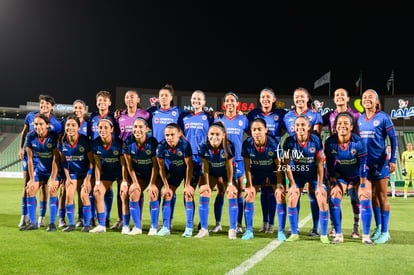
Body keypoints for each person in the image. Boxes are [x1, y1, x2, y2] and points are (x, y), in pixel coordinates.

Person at [324, 112, 374, 245]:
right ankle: (338, 235)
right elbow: (329, 166)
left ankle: (366, 236)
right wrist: (333, 183)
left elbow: (363, 164)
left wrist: (363, 185)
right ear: (335, 127)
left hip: (358, 176)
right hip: (341, 177)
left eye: (346, 123)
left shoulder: (359, 142)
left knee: (365, 197)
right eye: (339, 123)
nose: (342, 126)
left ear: (351, 127)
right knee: (334, 198)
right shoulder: (330, 143)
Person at [358, 89, 398, 244]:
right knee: (372, 196)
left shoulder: (383, 117)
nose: (367, 99)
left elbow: (393, 139)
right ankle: (379, 227)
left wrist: (392, 159)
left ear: (376, 101)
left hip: (380, 163)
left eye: (370, 97)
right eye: (364, 97)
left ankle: (386, 232)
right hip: (365, 165)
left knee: (382, 196)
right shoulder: (360, 119)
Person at [283, 87, 323, 236]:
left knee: (315, 194)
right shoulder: (287, 116)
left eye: (302, 96)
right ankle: (295, 228)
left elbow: (317, 138)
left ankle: (316, 227)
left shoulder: (315, 115)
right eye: (296, 97)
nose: (299, 99)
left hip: (311, 160)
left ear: (308, 99)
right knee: (294, 193)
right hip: (295, 163)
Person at [283, 115, 329, 243]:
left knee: (321, 197)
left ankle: (323, 234)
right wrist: (292, 184)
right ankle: (294, 233)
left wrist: (319, 185)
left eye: (303, 125)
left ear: (308, 127)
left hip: (313, 174)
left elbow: (320, 163)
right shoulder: (289, 141)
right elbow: (286, 164)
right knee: (292, 197)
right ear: (294, 127)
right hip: (297, 174)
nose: (300, 128)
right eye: (297, 125)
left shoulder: (316, 140)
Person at [18, 95, 62, 229]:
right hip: (37, 162)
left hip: (52, 165)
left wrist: (54, 178)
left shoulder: (54, 130)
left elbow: (56, 157)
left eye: (40, 124)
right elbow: (30, 158)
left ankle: (50, 221)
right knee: (29, 187)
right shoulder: (31, 128)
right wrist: (32, 179)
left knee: (50, 188)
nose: (37, 126)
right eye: (35, 124)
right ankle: (29, 220)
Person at [322, 88, 362, 238]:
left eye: (342, 95)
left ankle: (356, 228)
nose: (339, 97)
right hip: (335, 159)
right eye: (336, 95)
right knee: (332, 194)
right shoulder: (329, 115)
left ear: (347, 99)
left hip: (352, 158)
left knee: (355, 196)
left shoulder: (356, 115)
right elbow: (314, 122)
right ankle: (334, 227)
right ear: (334, 99)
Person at [247, 88, 287, 234]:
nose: (265, 99)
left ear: (274, 99)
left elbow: (291, 122)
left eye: (268, 97)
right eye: (263, 97)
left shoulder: (280, 114)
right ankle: (265, 222)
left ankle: (271, 223)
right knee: (263, 191)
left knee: (272, 189)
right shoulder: (253, 114)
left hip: (274, 156)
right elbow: (247, 129)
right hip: (259, 156)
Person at [242, 118, 285, 240]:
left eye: (259, 129)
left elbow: (279, 166)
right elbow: (247, 167)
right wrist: (249, 185)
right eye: (254, 130)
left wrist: (278, 185)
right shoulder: (247, 144)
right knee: (249, 195)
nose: (256, 132)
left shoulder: (273, 144)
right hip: (257, 171)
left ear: (265, 130)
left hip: (273, 171)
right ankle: (249, 230)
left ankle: (280, 231)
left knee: (279, 195)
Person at [147, 84, 185, 225]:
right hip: (156, 156)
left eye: (166, 95)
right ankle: (154, 222)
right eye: (161, 95)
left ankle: (168, 220)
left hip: (172, 157)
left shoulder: (179, 112)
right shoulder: (152, 112)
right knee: (155, 189)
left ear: (171, 97)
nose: (163, 98)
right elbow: (137, 116)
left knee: (170, 189)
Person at [214, 92, 249, 234]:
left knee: (239, 192)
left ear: (237, 103)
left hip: (238, 160)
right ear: (224, 103)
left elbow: (252, 133)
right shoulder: (219, 120)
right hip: (222, 161)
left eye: (232, 101)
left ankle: (239, 224)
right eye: (227, 100)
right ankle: (218, 223)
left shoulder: (243, 119)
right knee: (221, 191)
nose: (229, 103)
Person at [179, 90, 213, 230]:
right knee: (188, 190)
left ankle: (202, 222)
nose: (196, 101)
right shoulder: (184, 117)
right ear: (191, 101)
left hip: (203, 159)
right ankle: (190, 221)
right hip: (189, 159)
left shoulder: (208, 118)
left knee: (204, 190)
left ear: (204, 102)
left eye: (199, 99)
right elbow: (179, 134)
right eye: (194, 99)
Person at [89, 90, 122, 230]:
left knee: (122, 192)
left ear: (109, 102)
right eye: (99, 100)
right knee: (98, 189)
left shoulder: (115, 116)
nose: (101, 103)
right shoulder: (92, 117)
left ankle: (121, 220)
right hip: (101, 156)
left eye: (104, 100)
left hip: (116, 158)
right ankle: (99, 219)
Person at [195, 122, 234, 238]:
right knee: (204, 191)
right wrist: (206, 184)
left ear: (223, 135)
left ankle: (233, 228)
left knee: (232, 193)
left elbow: (229, 167)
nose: (214, 137)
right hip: (211, 172)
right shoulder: (203, 146)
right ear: (207, 134)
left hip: (225, 172)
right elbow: (205, 167)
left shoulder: (228, 146)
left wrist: (230, 184)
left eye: (217, 134)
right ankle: (203, 228)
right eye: (211, 134)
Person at [122, 118, 160, 235]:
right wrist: (135, 182)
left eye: (140, 127)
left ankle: (154, 227)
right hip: (139, 175)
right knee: (134, 192)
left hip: (154, 175)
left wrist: (152, 184)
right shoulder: (128, 142)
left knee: (152, 193)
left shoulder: (152, 142)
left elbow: (156, 166)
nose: (137, 130)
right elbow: (130, 166)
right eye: (135, 127)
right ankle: (137, 227)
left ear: (146, 129)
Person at [155, 123, 194, 236]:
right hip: (174, 171)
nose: (169, 138)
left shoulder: (185, 145)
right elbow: (161, 168)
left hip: (188, 171)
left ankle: (189, 228)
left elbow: (189, 166)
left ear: (179, 134)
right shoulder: (161, 146)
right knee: (168, 194)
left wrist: (187, 185)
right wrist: (166, 187)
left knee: (188, 194)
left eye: (172, 135)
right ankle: (166, 227)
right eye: (167, 135)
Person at [90, 119, 127, 233]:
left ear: (111, 129)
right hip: (107, 172)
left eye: (106, 127)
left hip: (120, 172)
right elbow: (97, 165)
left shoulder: (118, 143)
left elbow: (124, 164)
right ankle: (102, 225)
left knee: (124, 193)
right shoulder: (95, 144)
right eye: (100, 128)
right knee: (97, 192)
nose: (103, 130)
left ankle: (125, 225)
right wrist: (97, 182)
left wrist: (125, 181)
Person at [57, 115, 94, 232]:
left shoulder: (84, 141)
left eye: (73, 125)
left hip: (85, 174)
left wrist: (88, 180)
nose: (70, 128)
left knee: (83, 195)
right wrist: (67, 178)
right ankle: (71, 224)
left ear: (78, 127)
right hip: (72, 173)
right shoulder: (62, 142)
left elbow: (91, 162)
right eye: (68, 125)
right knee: (68, 194)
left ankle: (87, 224)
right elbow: (63, 161)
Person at [71, 99, 91, 228]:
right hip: (72, 163)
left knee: (87, 192)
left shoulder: (88, 125)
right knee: (69, 192)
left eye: (80, 108)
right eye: (75, 108)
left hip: (87, 162)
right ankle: (68, 218)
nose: (77, 110)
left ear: (84, 110)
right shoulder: (69, 122)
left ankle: (89, 217)